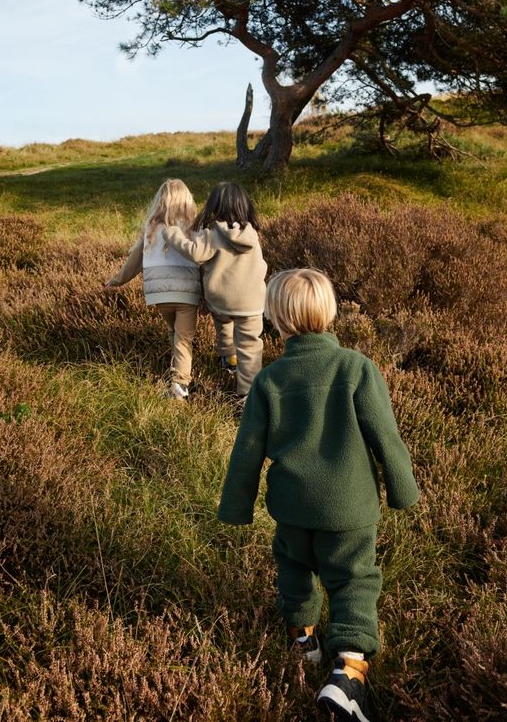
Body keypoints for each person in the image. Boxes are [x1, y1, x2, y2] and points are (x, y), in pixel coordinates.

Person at [218, 269, 419, 722]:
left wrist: (236, 506)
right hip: (349, 509)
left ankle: (303, 639)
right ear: (329, 313)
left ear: (274, 319)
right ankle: (348, 670)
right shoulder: (355, 367)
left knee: (293, 566)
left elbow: (247, 451)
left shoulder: (268, 381)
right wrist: (402, 490)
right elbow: (385, 435)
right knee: (353, 580)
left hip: (291, 507)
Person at [163, 182, 267, 400]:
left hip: (221, 299)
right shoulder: (252, 235)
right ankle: (247, 395)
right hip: (252, 302)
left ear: (214, 206)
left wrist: (172, 234)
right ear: (245, 206)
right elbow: (261, 265)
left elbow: (195, 253)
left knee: (224, 325)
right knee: (249, 347)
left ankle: (228, 357)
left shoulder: (211, 234)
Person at [106, 179, 201, 400]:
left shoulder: (152, 226)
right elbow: (203, 257)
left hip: (158, 294)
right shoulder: (194, 226)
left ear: (161, 199)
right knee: (184, 338)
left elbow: (135, 260)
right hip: (186, 292)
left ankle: (176, 374)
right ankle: (180, 386)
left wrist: (117, 280)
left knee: (174, 333)